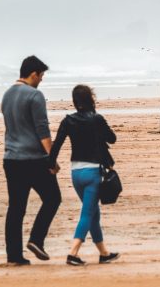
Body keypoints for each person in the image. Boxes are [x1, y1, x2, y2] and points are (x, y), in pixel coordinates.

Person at [1, 55, 62, 266]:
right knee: (53, 198)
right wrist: (52, 159)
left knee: (16, 208)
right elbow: (42, 130)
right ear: (33, 74)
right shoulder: (35, 95)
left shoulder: (7, 94)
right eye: (41, 75)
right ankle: (36, 239)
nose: (42, 79)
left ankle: (13, 256)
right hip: (33, 159)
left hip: (11, 159)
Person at [50, 84, 119, 266]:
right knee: (88, 213)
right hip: (92, 173)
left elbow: (56, 145)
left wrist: (51, 165)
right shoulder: (96, 119)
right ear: (91, 99)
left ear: (74, 101)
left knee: (93, 212)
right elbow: (112, 138)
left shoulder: (68, 121)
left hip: (76, 173)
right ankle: (72, 253)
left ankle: (104, 253)